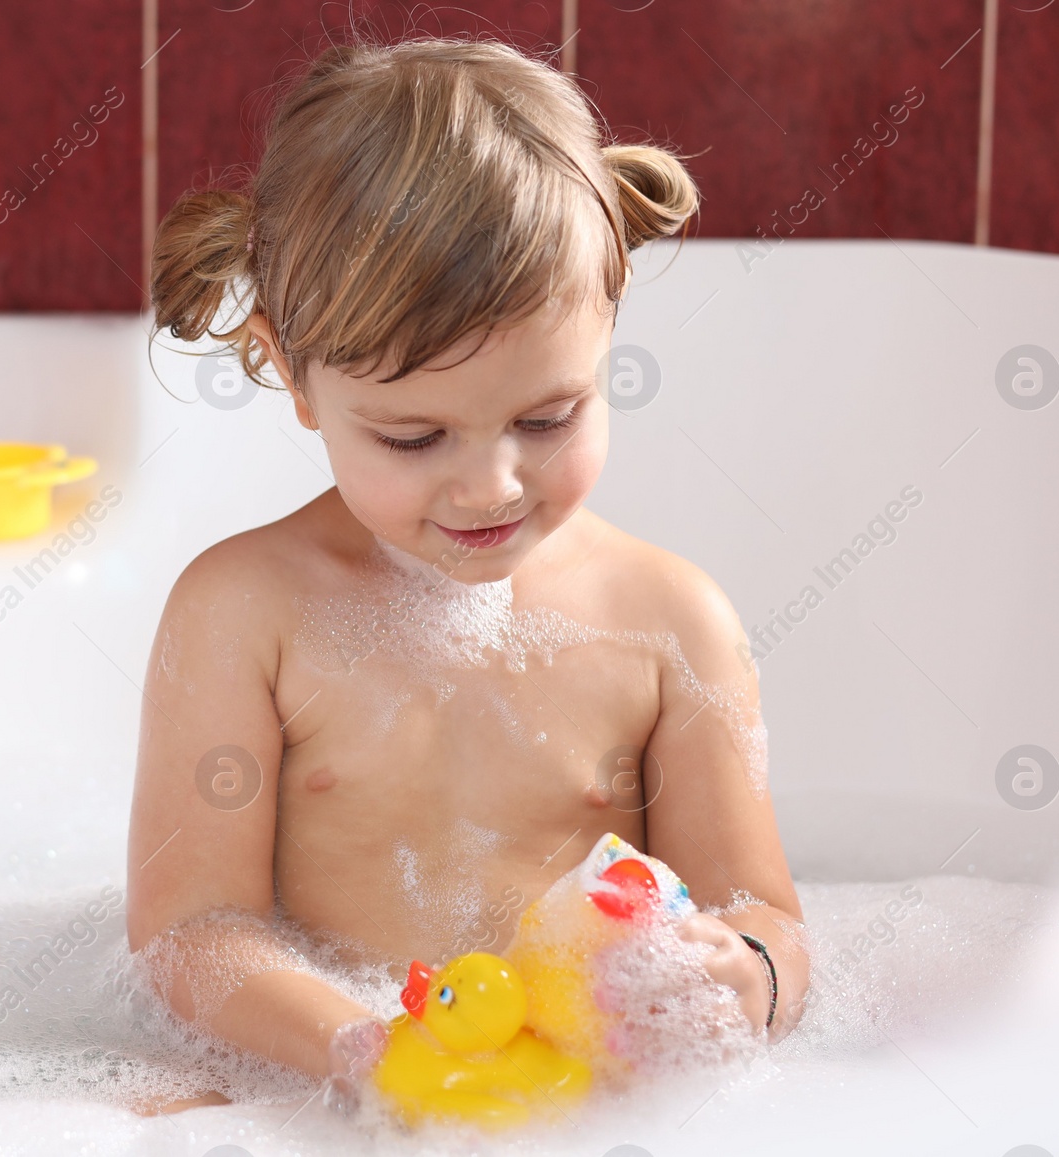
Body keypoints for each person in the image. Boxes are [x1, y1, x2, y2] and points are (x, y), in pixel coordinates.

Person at [129, 34, 807, 1111]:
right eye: (412, 438)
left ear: (607, 326)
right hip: (320, 1077)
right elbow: (191, 934)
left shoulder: (670, 620)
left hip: (585, 1096)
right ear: (295, 376)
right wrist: (368, 1049)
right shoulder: (246, 613)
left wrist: (743, 976)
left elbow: (764, 912)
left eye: (548, 417)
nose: (490, 485)